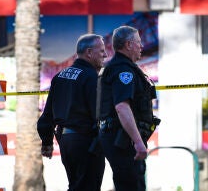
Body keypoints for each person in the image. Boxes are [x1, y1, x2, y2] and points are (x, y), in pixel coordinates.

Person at [37, 34, 107, 191]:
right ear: (89, 52)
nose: (106, 54)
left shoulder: (59, 76)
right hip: (86, 142)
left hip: (66, 142)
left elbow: (48, 114)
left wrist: (47, 141)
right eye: (102, 51)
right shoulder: (91, 77)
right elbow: (100, 113)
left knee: (76, 185)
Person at [97, 25, 159, 191]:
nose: (142, 46)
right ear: (129, 45)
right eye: (138, 42)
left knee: (130, 182)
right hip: (122, 140)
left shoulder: (120, 68)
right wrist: (138, 142)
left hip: (120, 137)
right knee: (131, 185)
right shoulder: (123, 71)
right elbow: (122, 107)